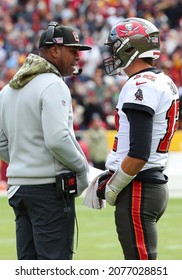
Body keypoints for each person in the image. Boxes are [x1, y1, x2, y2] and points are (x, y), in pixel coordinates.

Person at [0, 21, 92, 260]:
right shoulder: (53, 84)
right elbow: (57, 139)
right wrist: (83, 170)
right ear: (54, 50)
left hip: (19, 189)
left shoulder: (8, 89)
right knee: (54, 268)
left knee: (28, 268)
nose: (77, 57)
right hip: (48, 192)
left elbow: (1, 142)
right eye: (73, 50)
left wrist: (24, 163)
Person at [96, 17, 180, 260]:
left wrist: (114, 186)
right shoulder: (161, 80)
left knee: (140, 268)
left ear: (130, 47)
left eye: (115, 46)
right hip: (150, 184)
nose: (112, 53)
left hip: (139, 187)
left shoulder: (141, 84)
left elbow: (139, 153)